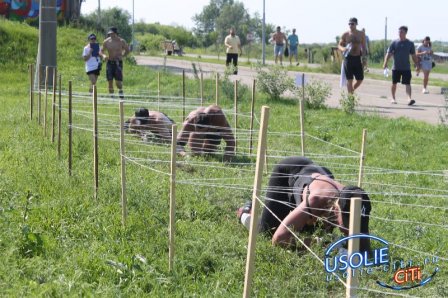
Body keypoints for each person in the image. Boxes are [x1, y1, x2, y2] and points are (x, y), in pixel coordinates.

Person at [237, 156, 372, 253]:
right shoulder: (317, 200)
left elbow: (366, 252)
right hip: (289, 173)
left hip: (321, 174)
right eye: (346, 224)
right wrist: (320, 245)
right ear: (338, 210)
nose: (347, 230)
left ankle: (308, 221)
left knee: (310, 230)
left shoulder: (358, 203)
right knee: (266, 231)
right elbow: (278, 240)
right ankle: (245, 212)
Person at [383, 26, 420, 105]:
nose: (399, 33)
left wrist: (417, 65)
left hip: (406, 68)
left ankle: (409, 99)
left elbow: (413, 55)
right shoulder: (394, 42)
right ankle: (393, 98)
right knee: (394, 83)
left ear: (405, 33)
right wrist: (385, 62)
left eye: (401, 32)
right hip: (396, 67)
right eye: (399, 32)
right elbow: (388, 53)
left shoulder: (410, 43)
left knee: (407, 83)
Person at [338, 18, 366, 94]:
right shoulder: (346, 34)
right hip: (348, 58)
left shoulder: (361, 34)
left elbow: (364, 47)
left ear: (356, 24)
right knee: (349, 79)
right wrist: (343, 48)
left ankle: (351, 90)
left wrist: (364, 59)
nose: (350, 25)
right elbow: (339, 45)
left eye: (352, 24)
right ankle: (350, 98)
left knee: (360, 79)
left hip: (357, 58)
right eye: (349, 24)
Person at [100, 26, 130, 99]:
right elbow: (101, 51)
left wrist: (122, 55)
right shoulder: (106, 41)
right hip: (110, 62)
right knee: (109, 80)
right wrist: (103, 56)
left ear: (116, 34)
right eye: (110, 34)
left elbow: (127, 50)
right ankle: (112, 96)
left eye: (112, 33)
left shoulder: (121, 41)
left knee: (118, 82)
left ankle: (120, 91)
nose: (111, 35)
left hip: (118, 62)